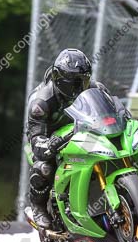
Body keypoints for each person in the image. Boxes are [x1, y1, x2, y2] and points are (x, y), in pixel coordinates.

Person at [26, 48, 111, 228]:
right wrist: (49, 144)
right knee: (44, 167)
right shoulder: (40, 102)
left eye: (83, 80)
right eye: (72, 82)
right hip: (50, 138)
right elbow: (36, 139)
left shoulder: (96, 88)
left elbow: (113, 112)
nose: (78, 87)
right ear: (58, 78)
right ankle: (38, 206)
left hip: (83, 132)